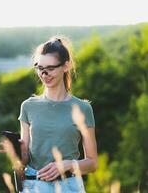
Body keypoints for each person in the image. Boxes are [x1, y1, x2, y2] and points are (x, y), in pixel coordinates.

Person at [16, 36, 98, 192]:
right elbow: (24, 159)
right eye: (40, 68)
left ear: (66, 66)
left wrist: (67, 164)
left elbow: (92, 163)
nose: (44, 74)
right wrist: (17, 152)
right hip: (34, 185)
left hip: (70, 186)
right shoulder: (28, 106)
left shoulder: (83, 108)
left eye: (51, 68)